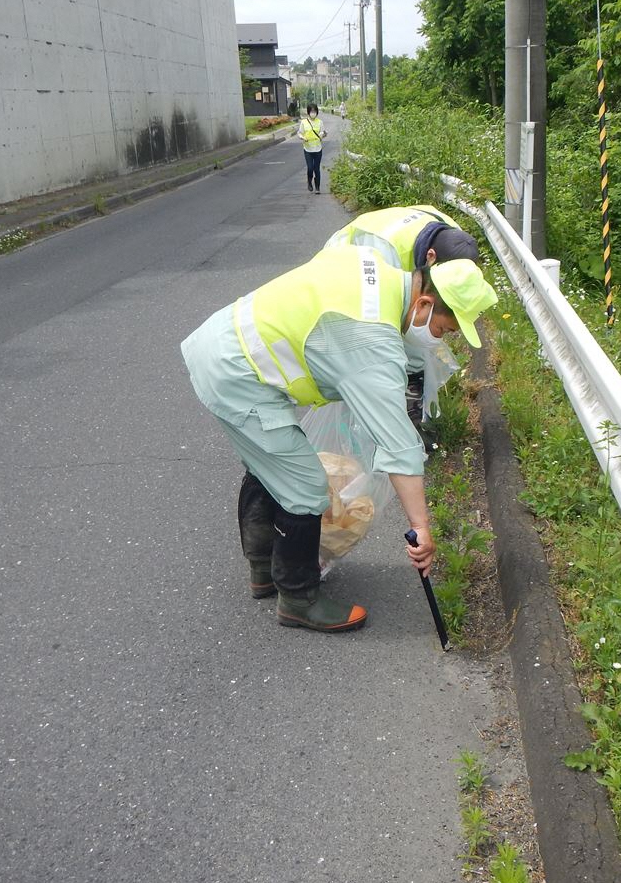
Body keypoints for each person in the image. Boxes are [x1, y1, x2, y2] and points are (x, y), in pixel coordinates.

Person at [181, 246, 498, 634]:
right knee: (304, 486)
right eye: (443, 329)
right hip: (235, 373)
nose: (439, 339)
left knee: (270, 466)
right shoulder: (370, 343)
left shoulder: (375, 268)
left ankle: (265, 570)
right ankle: (298, 599)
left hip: (226, 340)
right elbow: (399, 447)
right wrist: (423, 528)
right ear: (424, 304)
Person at [325, 206, 481, 427]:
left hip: (396, 259)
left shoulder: (457, 245)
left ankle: (412, 411)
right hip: (344, 268)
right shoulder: (383, 254)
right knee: (375, 354)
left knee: (415, 338)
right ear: (431, 256)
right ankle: (363, 425)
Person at [297, 104, 326, 194]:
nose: (313, 113)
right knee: (310, 168)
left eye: (315, 111)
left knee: (316, 168)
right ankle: (309, 181)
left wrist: (322, 134)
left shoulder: (320, 122)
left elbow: (323, 131)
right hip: (308, 149)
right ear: (308, 112)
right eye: (311, 111)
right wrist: (302, 138)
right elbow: (299, 133)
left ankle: (317, 188)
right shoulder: (304, 122)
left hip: (318, 148)